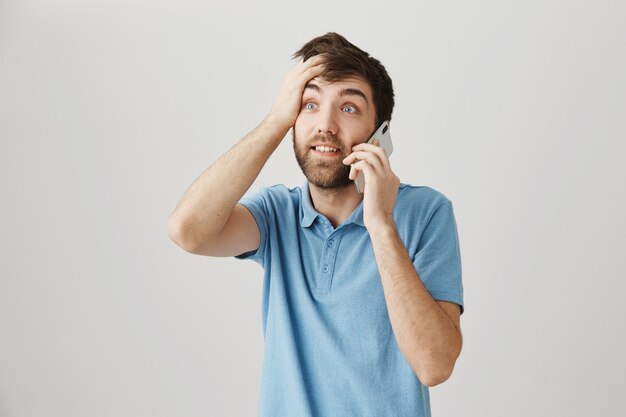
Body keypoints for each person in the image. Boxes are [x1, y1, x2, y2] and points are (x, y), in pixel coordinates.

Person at [168, 32, 464, 417]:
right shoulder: (277, 214)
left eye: (349, 108)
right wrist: (275, 121)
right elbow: (186, 231)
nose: (325, 125)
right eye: (309, 104)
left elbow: (434, 365)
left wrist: (381, 224)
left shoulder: (427, 211)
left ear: (380, 133)